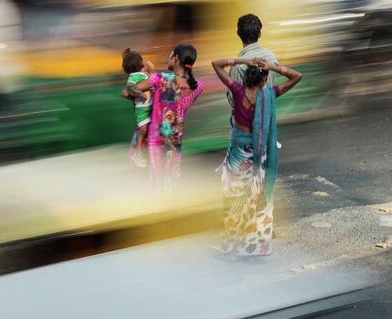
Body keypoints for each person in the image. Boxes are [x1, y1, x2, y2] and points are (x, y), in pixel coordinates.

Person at [211, 55, 302, 256]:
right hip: (257, 154)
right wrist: (273, 67)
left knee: (233, 197)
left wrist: (245, 61)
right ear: (263, 80)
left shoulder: (237, 90)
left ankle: (230, 243)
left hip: (237, 154)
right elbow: (297, 76)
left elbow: (216, 64)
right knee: (256, 197)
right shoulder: (269, 94)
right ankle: (252, 245)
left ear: (246, 78)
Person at [123, 43, 204, 190]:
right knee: (168, 182)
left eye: (170, 55)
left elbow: (128, 92)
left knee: (143, 185)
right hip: (173, 142)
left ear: (175, 58)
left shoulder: (160, 78)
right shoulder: (198, 86)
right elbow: (175, 103)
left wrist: (146, 87)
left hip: (149, 139)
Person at [228, 14, 279, 110]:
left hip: (245, 121)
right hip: (266, 117)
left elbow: (234, 101)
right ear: (259, 34)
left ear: (238, 34)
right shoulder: (272, 58)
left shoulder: (238, 65)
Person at [121, 48, 154, 168]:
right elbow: (130, 87)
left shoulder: (142, 74)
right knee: (143, 130)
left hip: (146, 106)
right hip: (141, 109)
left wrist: (150, 72)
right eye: (143, 60)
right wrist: (140, 95)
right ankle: (138, 153)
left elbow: (149, 81)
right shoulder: (133, 77)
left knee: (147, 128)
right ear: (140, 64)